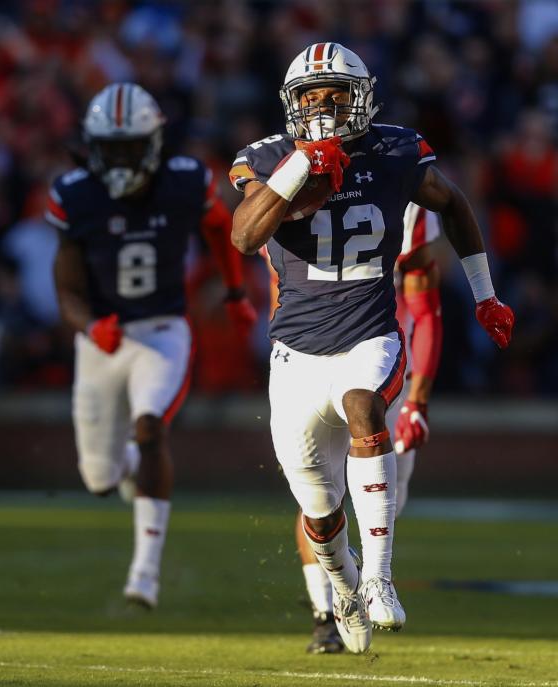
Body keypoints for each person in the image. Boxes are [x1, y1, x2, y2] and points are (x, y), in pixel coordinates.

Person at [230, 43, 514, 653]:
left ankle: (381, 579)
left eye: (337, 94)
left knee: (365, 406)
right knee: (318, 508)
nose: (325, 108)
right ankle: (344, 589)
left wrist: (485, 294)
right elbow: (244, 235)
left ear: (361, 97)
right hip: (295, 353)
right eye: (313, 97)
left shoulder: (394, 150)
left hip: (370, 332)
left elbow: (454, 204)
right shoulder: (267, 156)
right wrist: (302, 166)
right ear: (292, 105)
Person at [50, 82, 257, 609]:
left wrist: (234, 291)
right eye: (110, 148)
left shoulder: (183, 182)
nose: (119, 159)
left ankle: (144, 574)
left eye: (129, 147)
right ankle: (123, 463)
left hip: (163, 330)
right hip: (102, 340)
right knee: (98, 478)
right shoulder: (77, 194)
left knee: (150, 427)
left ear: (154, 142)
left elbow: (218, 227)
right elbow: (67, 288)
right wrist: (89, 325)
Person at [292, 203, 444, 653]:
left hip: (387, 362)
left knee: (383, 504)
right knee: (319, 490)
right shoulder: (296, 193)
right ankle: (327, 612)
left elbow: (426, 307)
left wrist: (417, 399)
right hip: (317, 355)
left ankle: (367, 576)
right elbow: (283, 292)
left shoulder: (409, 202)